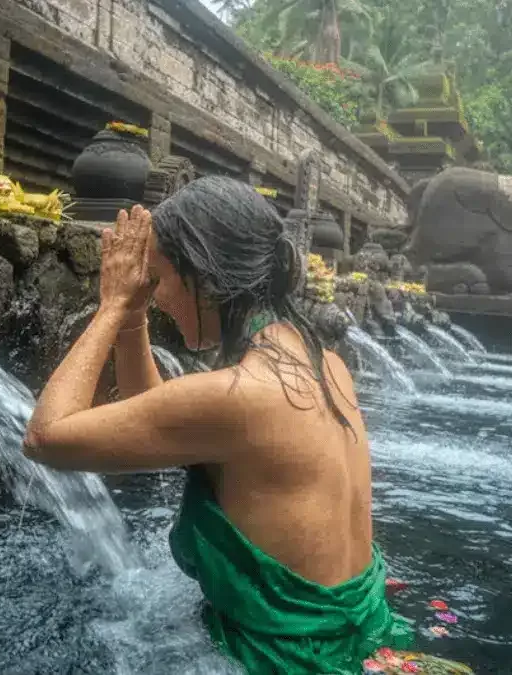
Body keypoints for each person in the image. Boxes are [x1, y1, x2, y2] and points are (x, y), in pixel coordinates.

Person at [23, 176, 413, 673]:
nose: (155, 295)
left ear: (204, 279)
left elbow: (44, 436)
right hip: (365, 635)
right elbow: (162, 420)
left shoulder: (240, 395)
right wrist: (134, 316)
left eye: (159, 278)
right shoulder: (325, 363)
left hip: (285, 660)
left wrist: (112, 304)